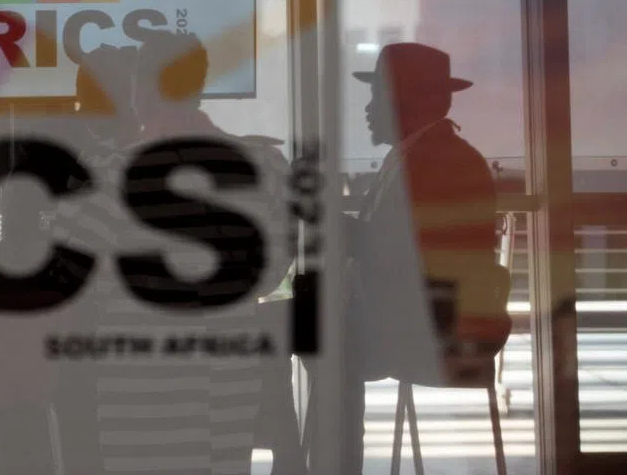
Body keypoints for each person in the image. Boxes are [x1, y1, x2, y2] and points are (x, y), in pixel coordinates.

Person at [91, 29, 305, 475]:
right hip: (229, 372)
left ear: (143, 89)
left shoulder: (115, 173)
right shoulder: (264, 167)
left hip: (141, 380)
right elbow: (271, 273)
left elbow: (84, 274)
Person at [340, 42, 507, 473]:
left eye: (376, 95)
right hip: (433, 320)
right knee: (318, 330)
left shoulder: (434, 162)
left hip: (430, 333)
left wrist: (334, 225)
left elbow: (395, 258)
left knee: (323, 344)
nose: (368, 107)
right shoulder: (426, 155)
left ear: (404, 102)